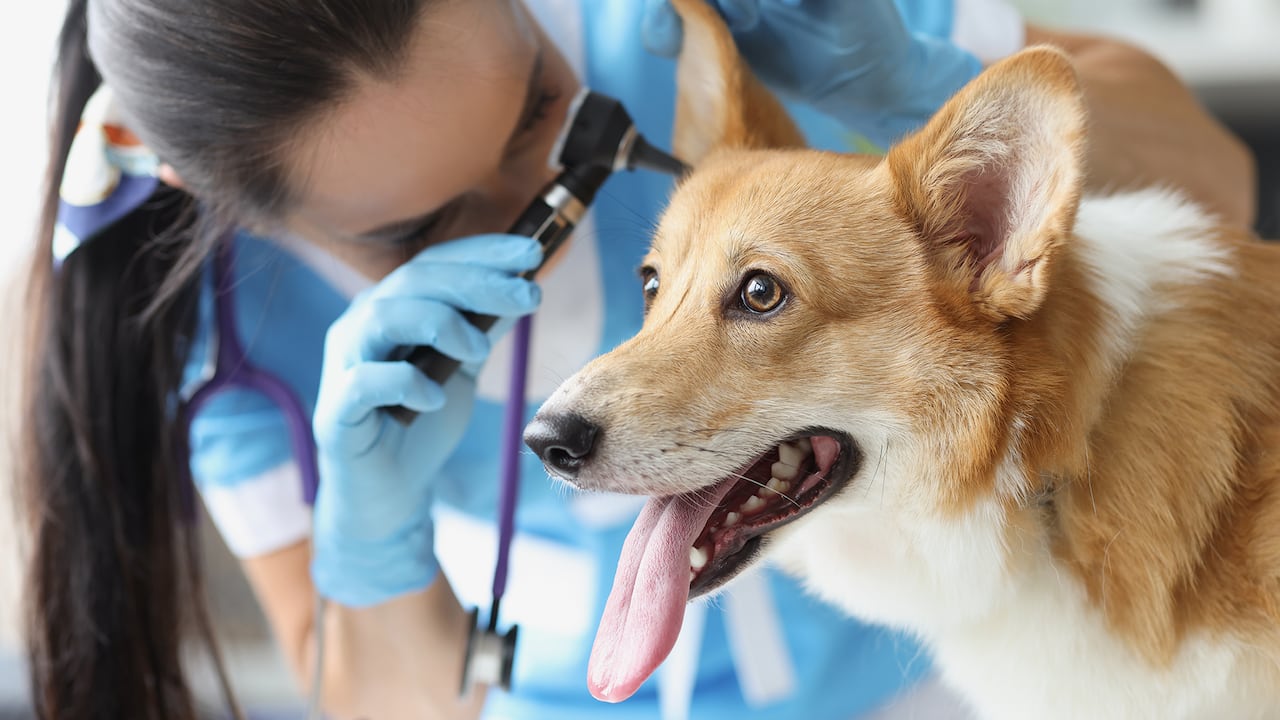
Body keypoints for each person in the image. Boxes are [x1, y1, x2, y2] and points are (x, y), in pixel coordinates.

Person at [17, 1, 1254, 719]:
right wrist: (371, 545)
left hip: (913, 690)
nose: (543, 197)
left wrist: (922, 75)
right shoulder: (213, 323)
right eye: (417, 224)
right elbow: (374, 699)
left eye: (534, 109)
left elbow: (1216, 186)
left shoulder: (680, 32)